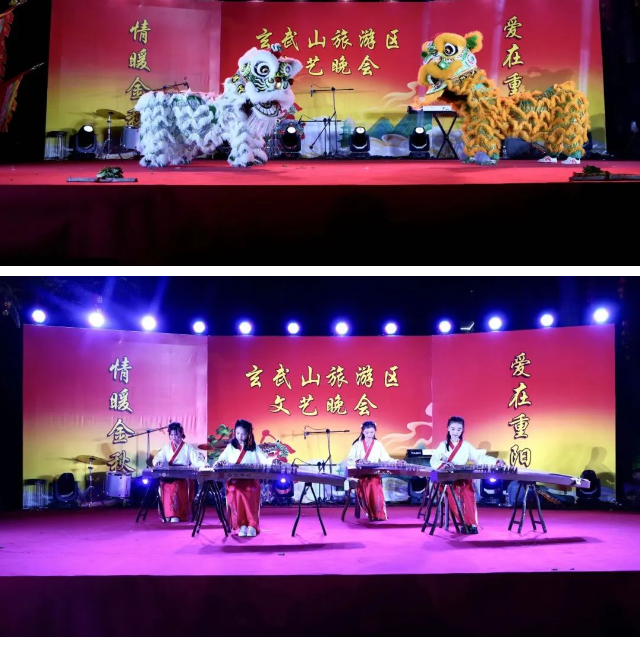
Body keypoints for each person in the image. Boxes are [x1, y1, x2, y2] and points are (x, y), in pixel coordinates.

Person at [429, 415, 506, 533]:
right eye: (453, 429)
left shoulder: (466, 446)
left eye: (459, 429)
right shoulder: (442, 445)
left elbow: (479, 458)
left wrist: (496, 461)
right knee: (454, 496)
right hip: (447, 479)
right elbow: (433, 460)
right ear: (448, 428)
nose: (455, 432)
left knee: (468, 493)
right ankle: (465, 523)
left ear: (462, 430)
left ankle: (472, 524)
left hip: (462, 478)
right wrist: (443, 465)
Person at [214, 419, 270, 537]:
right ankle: (242, 524)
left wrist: (272, 462)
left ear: (248, 433)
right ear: (234, 432)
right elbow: (221, 459)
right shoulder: (230, 447)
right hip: (235, 481)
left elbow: (264, 460)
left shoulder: (254, 447)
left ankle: (252, 525)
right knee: (236, 490)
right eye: (238, 433)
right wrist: (220, 462)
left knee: (250, 490)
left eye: (243, 434)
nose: (240, 436)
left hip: (251, 480)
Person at [346, 420, 406, 521]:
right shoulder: (357, 444)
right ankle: (371, 513)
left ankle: (378, 514)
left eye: (372, 432)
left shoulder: (378, 444)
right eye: (367, 432)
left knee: (374, 483)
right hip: (360, 475)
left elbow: (386, 458)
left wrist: (396, 461)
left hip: (374, 473)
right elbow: (350, 459)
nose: (369, 435)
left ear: (375, 432)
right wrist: (358, 460)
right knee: (368, 483)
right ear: (362, 432)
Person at [152, 421, 206, 522]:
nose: (174, 437)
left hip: (183, 476)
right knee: (165, 486)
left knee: (175, 486)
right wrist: (158, 462)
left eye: (176, 435)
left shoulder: (187, 447)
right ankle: (167, 514)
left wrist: (203, 465)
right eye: (171, 435)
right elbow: (158, 457)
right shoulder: (167, 447)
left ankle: (177, 514)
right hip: (170, 475)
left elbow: (196, 460)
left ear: (181, 434)